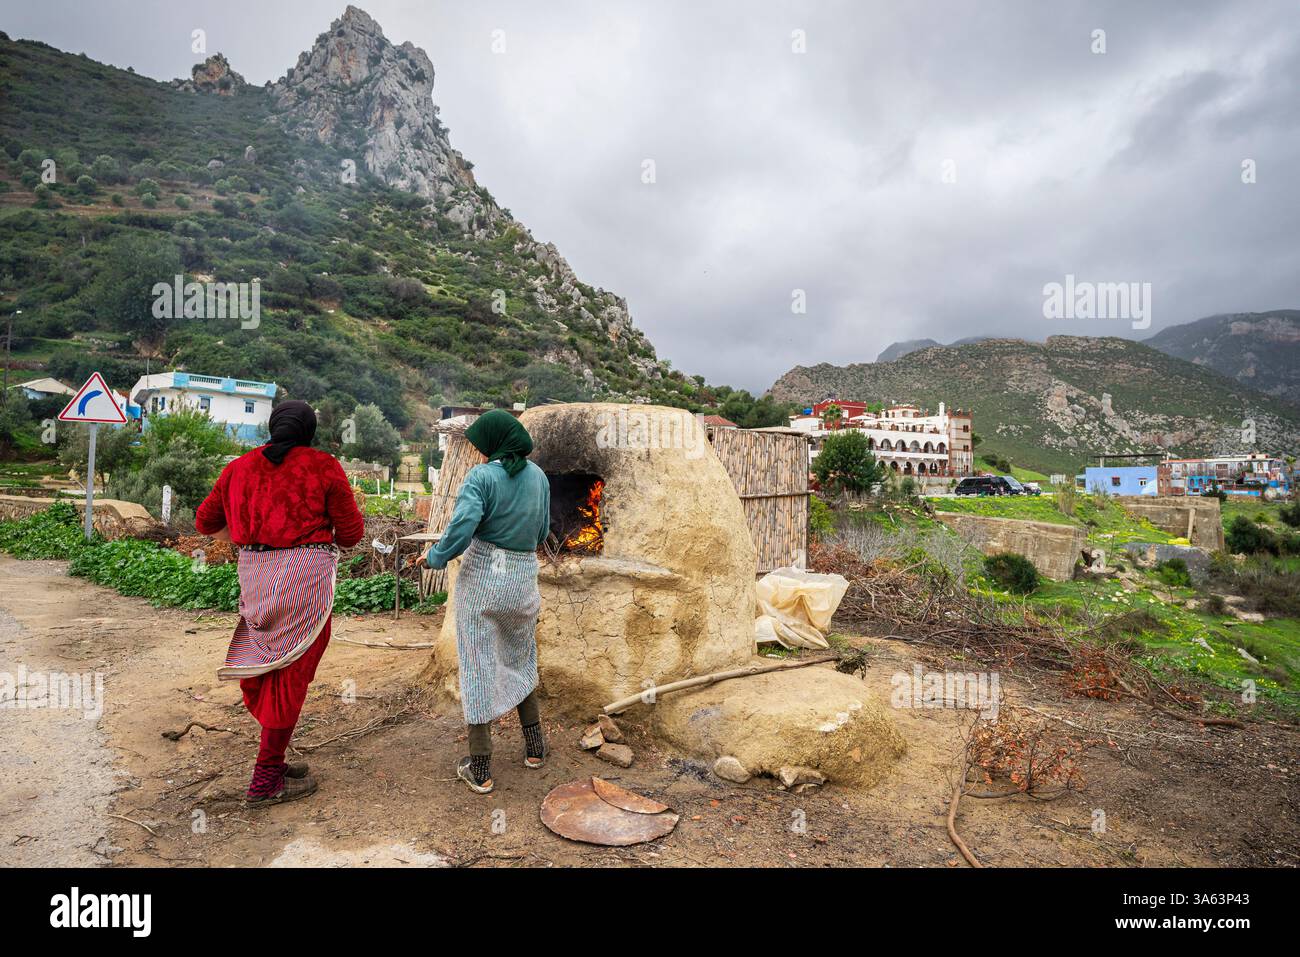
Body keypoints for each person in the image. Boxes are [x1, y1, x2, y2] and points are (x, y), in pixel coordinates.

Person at [195, 400, 365, 805]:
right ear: (309, 430)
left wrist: (251, 543)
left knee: (266, 662)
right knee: (292, 673)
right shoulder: (323, 465)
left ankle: (274, 756)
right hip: (305, 579)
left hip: (255, 576)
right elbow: (351, 533)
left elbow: (205, 522)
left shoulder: (238, 467)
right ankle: (266, 779)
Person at [420, 409, 551, 794]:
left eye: (481, 446)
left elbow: (462, 528)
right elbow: (542, 529)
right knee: (520, 656)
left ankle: (480, 767)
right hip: (523, 580)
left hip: (483, 581)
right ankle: (535, 748)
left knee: (478, 666)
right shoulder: (539, 477)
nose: (478, 454)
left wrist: (434, 557)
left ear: (494, 443)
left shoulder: (482, 477)